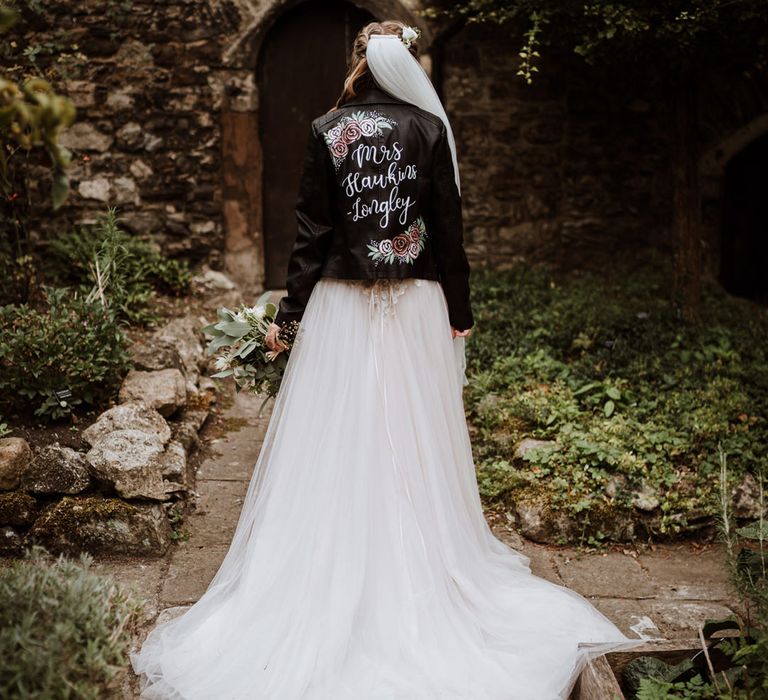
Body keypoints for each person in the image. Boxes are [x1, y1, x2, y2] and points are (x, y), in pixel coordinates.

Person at [130, 20, 644, 700]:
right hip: (415, 305)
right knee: (412, 429)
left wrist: (289, 316)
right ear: (403, 64)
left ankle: (330, 561)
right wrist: (459, 311)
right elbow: (449, 229)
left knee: (337, 431)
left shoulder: (327, 130)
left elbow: (310, 232)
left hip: (341, 305)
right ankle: (416, 560)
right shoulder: (430, 131)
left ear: (357, 64)